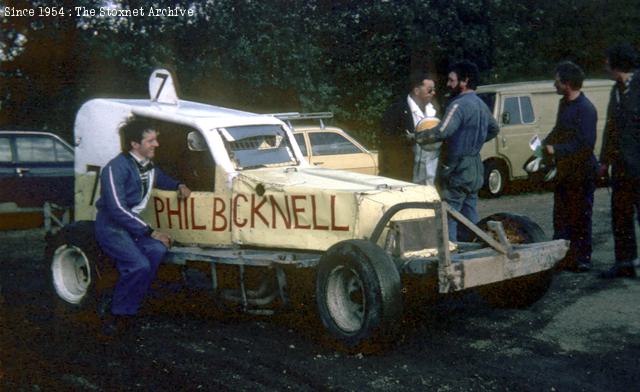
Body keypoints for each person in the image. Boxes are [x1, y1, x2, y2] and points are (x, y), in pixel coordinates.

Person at [95, 116, 191, 335]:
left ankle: (131, 303)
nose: (156, 145)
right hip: (112, 227)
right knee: (139, 265)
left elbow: (160, 177)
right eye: (150, 141)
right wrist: (151, 231)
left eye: (155, 140)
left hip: (132, 228)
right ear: (134, 144)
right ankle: (118, 314)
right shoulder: (114, 168)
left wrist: (179, 184)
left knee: (157, 251)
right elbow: (117, 208)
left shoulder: (147, 166)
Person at [415, 60, 499, 241]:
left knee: (449, 215)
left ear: (465, 81)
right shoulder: (481, 104)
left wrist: (418, 137)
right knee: (470, 214)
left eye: (452, 80)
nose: (448, 84)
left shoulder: (458, 105)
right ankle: (478, 250)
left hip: (458, 169)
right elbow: (494, 129)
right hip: (475, 167)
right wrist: (473, 142)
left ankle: (451, 258)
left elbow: (442, 131)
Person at [542, 61, 598, 272]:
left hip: (582, 172)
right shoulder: (564, 104)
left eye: (556, 80)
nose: (554, 84)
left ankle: (582, 258)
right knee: (561, 215)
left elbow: (585, 144)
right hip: (565, 172)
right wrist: (544, 144)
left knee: (581, 215)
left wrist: (556, 150)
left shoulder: (586, 109)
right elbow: (558, 129)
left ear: (567, 83)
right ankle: (562, 256)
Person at [598, 43, 640, 279]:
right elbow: (610, 129)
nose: (604, 65)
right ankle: (625, 263)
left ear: (617, 63)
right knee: (621, 215)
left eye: (607, 60)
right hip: (622, 169)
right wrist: (604, 161)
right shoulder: (616, 89)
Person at [380, 71, 439, 183]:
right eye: (430, 90)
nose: (433, 93)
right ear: (417, 91)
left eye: (434, 89)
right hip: (405, 175)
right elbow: (387, 144)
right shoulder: (395, 111)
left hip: (431, 176)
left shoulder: (435, 112)